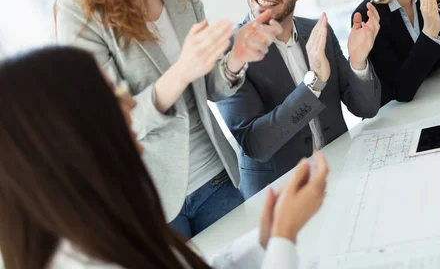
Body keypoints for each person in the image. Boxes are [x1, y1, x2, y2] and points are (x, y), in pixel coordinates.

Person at [54, 0, 282, 238]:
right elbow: (108, 124)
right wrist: (180, 72)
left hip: (216, 179)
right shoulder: (78, 12)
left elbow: (209, 89)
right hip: (151, 204)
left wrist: (235, 59)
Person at [0, 46, 328, 269]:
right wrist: (283, 237)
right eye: (111, 97)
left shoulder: (102, 222)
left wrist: (265, 239)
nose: (131, 105)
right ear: (70, 135)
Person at [217, 0, 382, 199]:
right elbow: (256, 144)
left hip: (340, 176)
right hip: (280, 198)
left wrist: (358, 60)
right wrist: (313, 83)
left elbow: (367, 108)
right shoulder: (230, 53)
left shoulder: (317, 32)